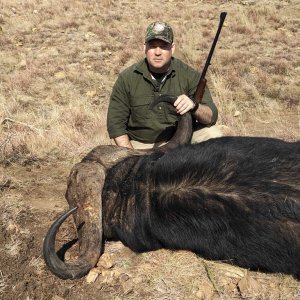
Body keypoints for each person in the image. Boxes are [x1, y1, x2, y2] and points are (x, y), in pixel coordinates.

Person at [107, 21, 224, 149]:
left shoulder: (189, 75)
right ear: (144, 47)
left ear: (172, 48)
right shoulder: (127, 78)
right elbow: (116, 126)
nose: (158, 52)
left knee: (214, 136)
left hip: (183, 139)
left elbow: (210, 117)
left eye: (164, 46)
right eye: (152, 46)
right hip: (142, 146)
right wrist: (132, 158)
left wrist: (194, 105)